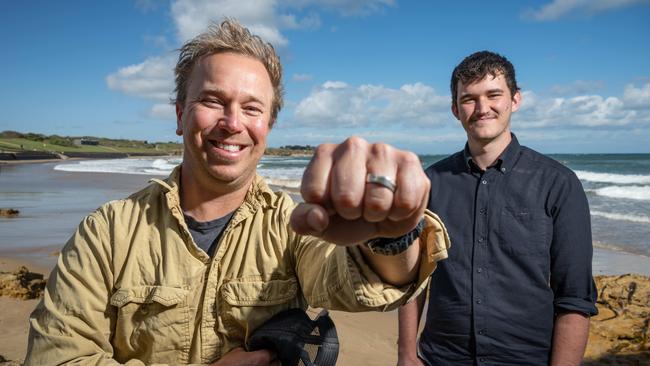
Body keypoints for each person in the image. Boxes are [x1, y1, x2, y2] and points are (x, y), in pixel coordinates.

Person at [25, 19, 450, 365]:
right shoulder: (107, 232)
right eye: (213, 100)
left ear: (268, 126)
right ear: (179, 115)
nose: (232, 122)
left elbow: (351, 282)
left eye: (251, 108)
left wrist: (393, 233)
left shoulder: (291, 225)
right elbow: (55, 357)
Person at [397, 51, 598, 366]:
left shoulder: (559, 183)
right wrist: (407, 354)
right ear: (455, 109)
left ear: (515, 100)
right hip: (441, 357)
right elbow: (413, 278)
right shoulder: (429, 182)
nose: (482, 108)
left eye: (493, 95)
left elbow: (574, 297)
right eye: (469, 99)